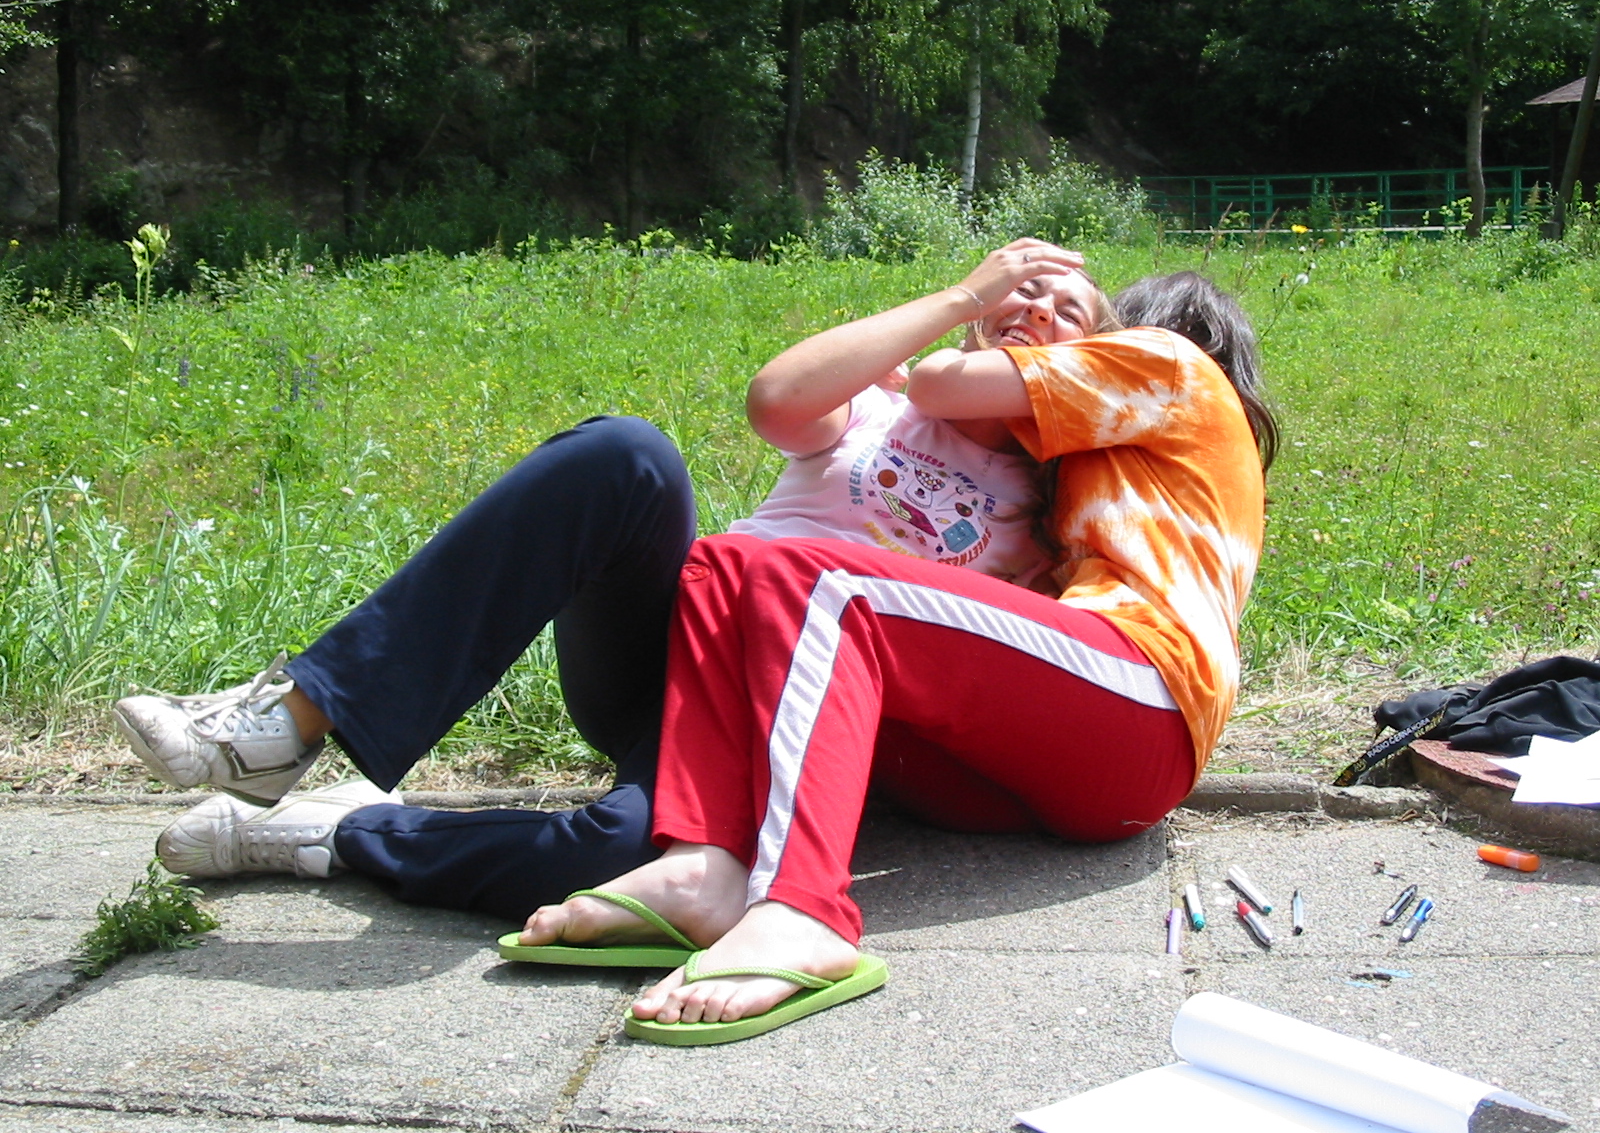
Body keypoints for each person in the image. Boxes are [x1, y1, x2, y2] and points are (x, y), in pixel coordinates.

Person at [117, 239, 1118, 924]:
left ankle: (337, 833)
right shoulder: (884, 405)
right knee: (628, 456)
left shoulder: (1050, 516)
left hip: (768, 717)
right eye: (1023, 290)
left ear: (1099, 367)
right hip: (673, 643)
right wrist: (963, 295)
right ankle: (290, 719)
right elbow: (776, 400)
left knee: (612, 857)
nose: (1035, 308)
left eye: (1067, 311)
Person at [513, 266, 1278, 1044]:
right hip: (1046, 769)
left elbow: (941, 383)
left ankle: (803, 913)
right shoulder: (1111, 463)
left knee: (821, 581)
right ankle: (704, 867)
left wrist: (938, 361)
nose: (1044, 315)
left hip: (1143, 696)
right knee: (729, 562)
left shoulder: (1168, 362)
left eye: (1076, 315)